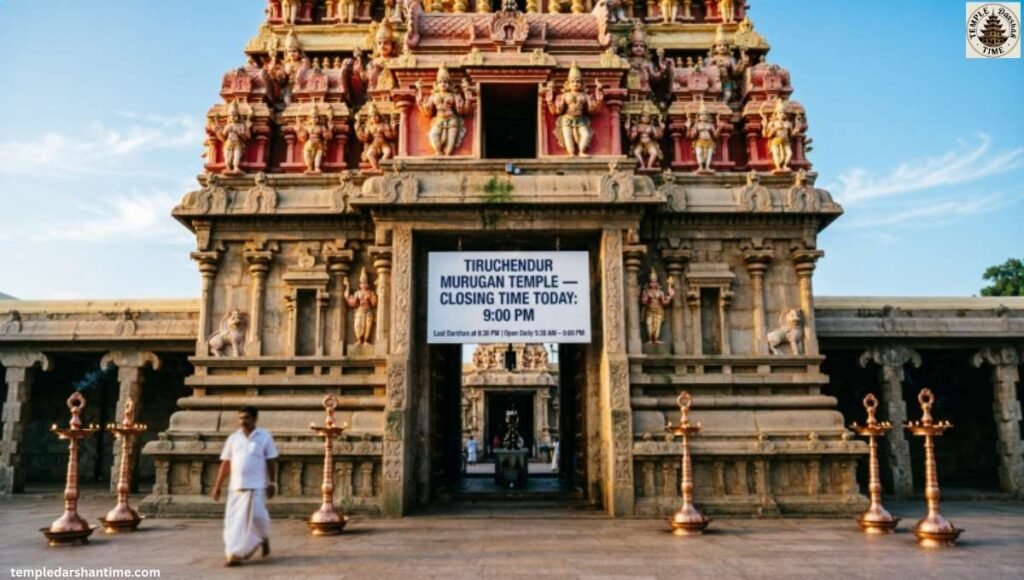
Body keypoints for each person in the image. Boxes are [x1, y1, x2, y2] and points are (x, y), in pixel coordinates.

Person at [212, 406, 279, 567]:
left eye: (247, 417)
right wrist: (217, 486)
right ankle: (234, 554)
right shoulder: (233, 438)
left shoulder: (264, 437)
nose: (243, 421)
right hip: (236, 487)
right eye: (241, 418)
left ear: (255, 419)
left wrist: (271, 482)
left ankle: (263, 538)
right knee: (234, 522)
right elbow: (226, 464)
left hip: (257, 486)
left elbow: (270, 461)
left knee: (258, 516)